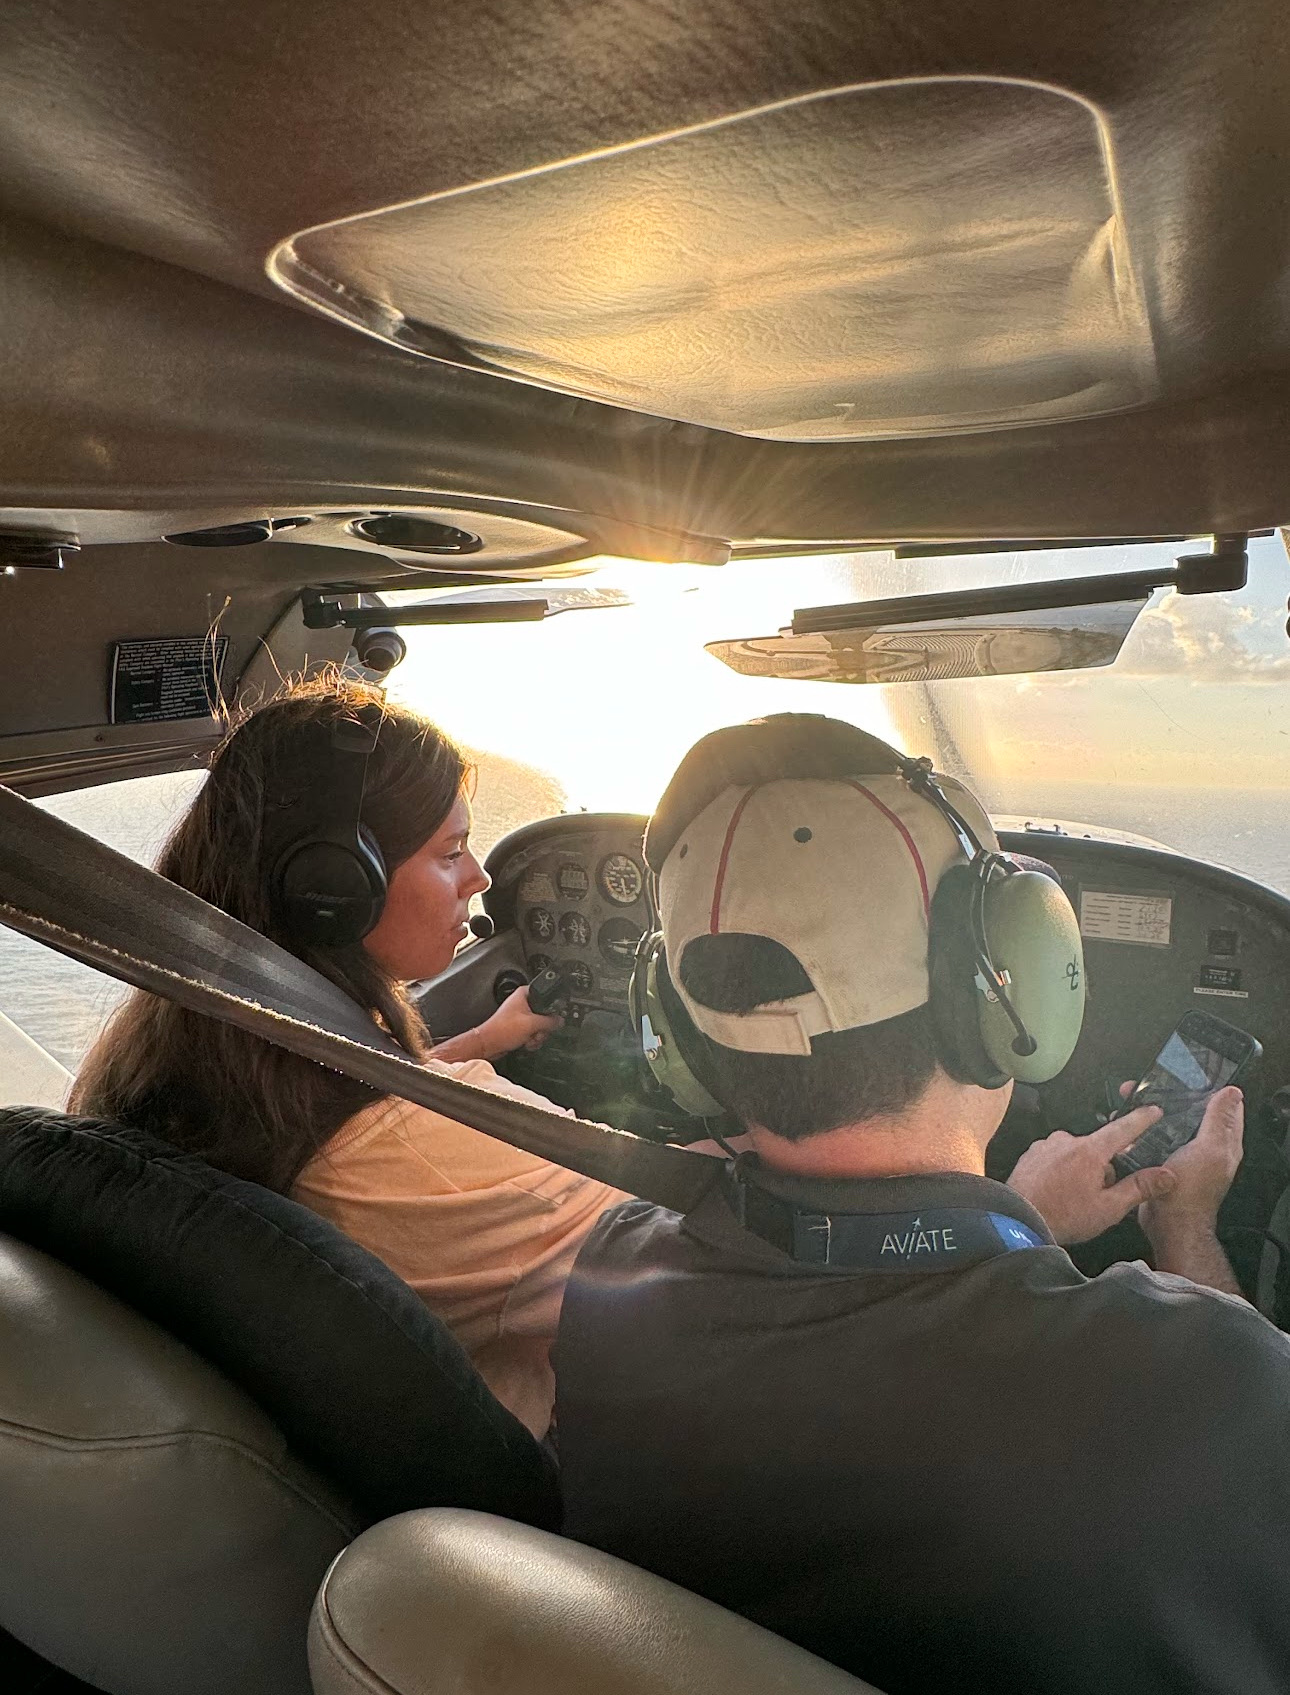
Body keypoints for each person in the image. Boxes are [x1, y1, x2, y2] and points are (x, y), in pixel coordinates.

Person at [553, 714, 1290, 1695]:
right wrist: (1184, 1224)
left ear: (679, 1035)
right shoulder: (1208, 1386)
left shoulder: (614, 1279)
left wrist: (1015, 1224)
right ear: (1011, 992)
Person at [72, 670, 625, 1437]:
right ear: (332, 887)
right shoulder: (426, 1155)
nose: (481, 876)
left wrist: (486, 1041)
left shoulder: (163, 1056)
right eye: (451, 852)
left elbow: (359, 1092)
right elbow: (684, 1243)